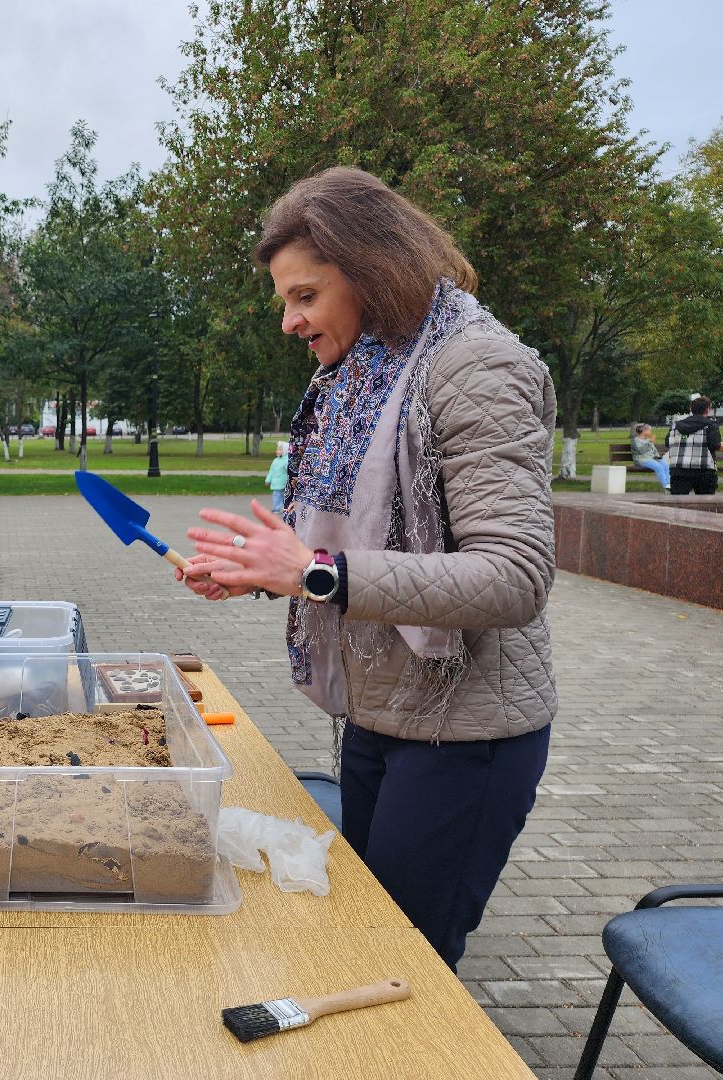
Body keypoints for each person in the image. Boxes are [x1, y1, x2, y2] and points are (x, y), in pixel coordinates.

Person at [178, 167, 555, 971]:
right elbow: (342, 534)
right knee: (359, 938)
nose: (289, 321)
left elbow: (516, 576)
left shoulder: (476, 367)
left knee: (404, 967)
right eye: (285, 299)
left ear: (374, 270)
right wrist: (262, 566)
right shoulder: (356, 377)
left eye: (305, 296)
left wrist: (314, 571)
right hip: (377, 716)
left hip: (465, 736)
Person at [663, 395, 719, 495]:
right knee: (706, 503)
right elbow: (716, 445)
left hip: (678, 470)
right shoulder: (710, 425)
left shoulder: (676, 425)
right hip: (704, 470)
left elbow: (668, 443)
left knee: (678, 503)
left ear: (692, 410)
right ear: (707, 410)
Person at [630, 423, 669, 490]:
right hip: (641, 460)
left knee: (666, 466)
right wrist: (649, 441)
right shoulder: (635, 440)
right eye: (649, 430)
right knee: (659, 467)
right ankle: (666, 487)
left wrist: (657, 456)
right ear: (644, 431)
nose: (650, 432)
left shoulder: (647, 439)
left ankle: (669, 484)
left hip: (651, 459)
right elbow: (641, 451)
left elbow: (654, 450)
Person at [266, 440, 291, 513]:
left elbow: (289, 470)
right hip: (276, 483)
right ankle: (277, 508)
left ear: (286, 451)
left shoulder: (287, 460)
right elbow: (271, 471)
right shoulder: (275, 460)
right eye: (277, 449)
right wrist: (268, 480)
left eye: (280, 449)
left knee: (285, 496)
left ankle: (285, 507)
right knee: (276, 495)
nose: (277, 451)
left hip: (284, 482)